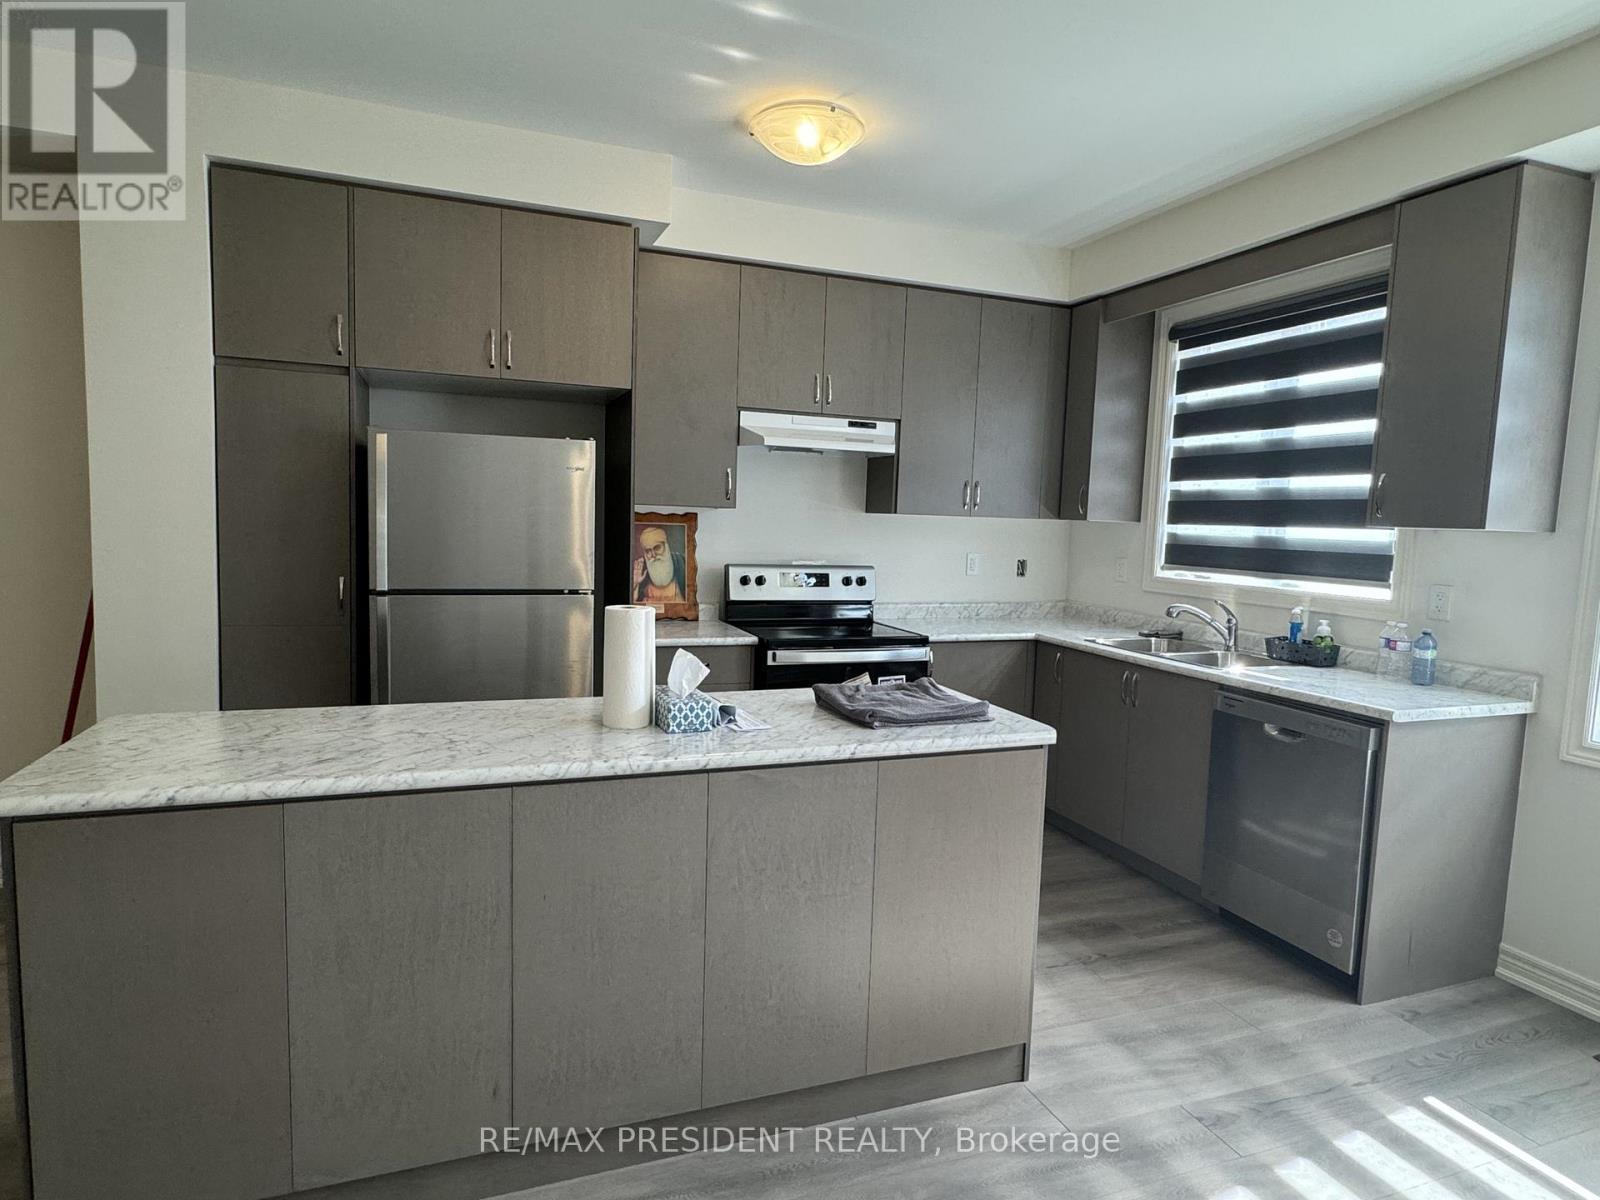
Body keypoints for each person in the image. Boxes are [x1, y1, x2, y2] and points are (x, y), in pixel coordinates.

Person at [633, 525, 686, 607]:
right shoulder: (641, 569)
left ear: (666, 546)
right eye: (648, 551)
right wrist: (635, 584)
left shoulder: (682, 562)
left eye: (657, 548)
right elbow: (633, 604)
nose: (653, 555)